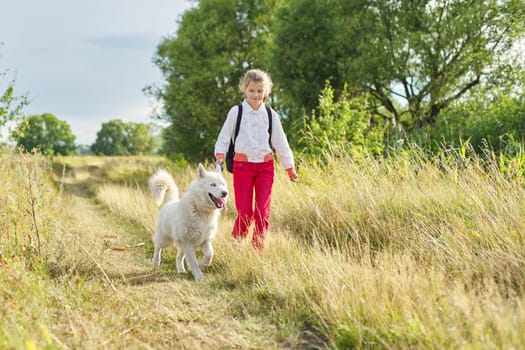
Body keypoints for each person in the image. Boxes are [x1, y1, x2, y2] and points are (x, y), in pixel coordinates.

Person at [214, 69, 298, 251]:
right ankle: (236, 247)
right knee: (245, 212)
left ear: (265, 92)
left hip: (265, 168)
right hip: (242, 167)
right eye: (252, 90)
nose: (256, 94)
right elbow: (223, 137)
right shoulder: (236, 112)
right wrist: (219, 155)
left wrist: (289, 167)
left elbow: (280, 142)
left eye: (260, 91)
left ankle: (256, 252)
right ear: (245, 89)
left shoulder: (271, 115)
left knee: (262, 213)